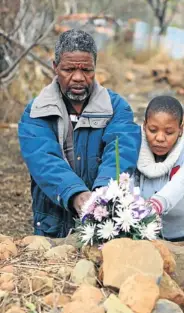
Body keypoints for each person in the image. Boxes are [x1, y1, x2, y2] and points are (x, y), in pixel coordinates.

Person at [18, 29, 141, 238]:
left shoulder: (116, 108)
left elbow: (121, 151)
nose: (78, 78)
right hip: (53, 225)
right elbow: (43, 159)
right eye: (68, 69)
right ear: (55, 67)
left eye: (86, 70)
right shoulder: (36, 111)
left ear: (95, 68)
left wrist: (102, 196)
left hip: (105, 223)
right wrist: (75, 194)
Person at [136, 95, 184, 241]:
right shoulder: (133, 148)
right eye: (153, 130)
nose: (160, 138)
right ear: (144, 126)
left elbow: (180, 183)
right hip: (142, 234)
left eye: (169, 132)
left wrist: (156, 205)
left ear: (180, 130)